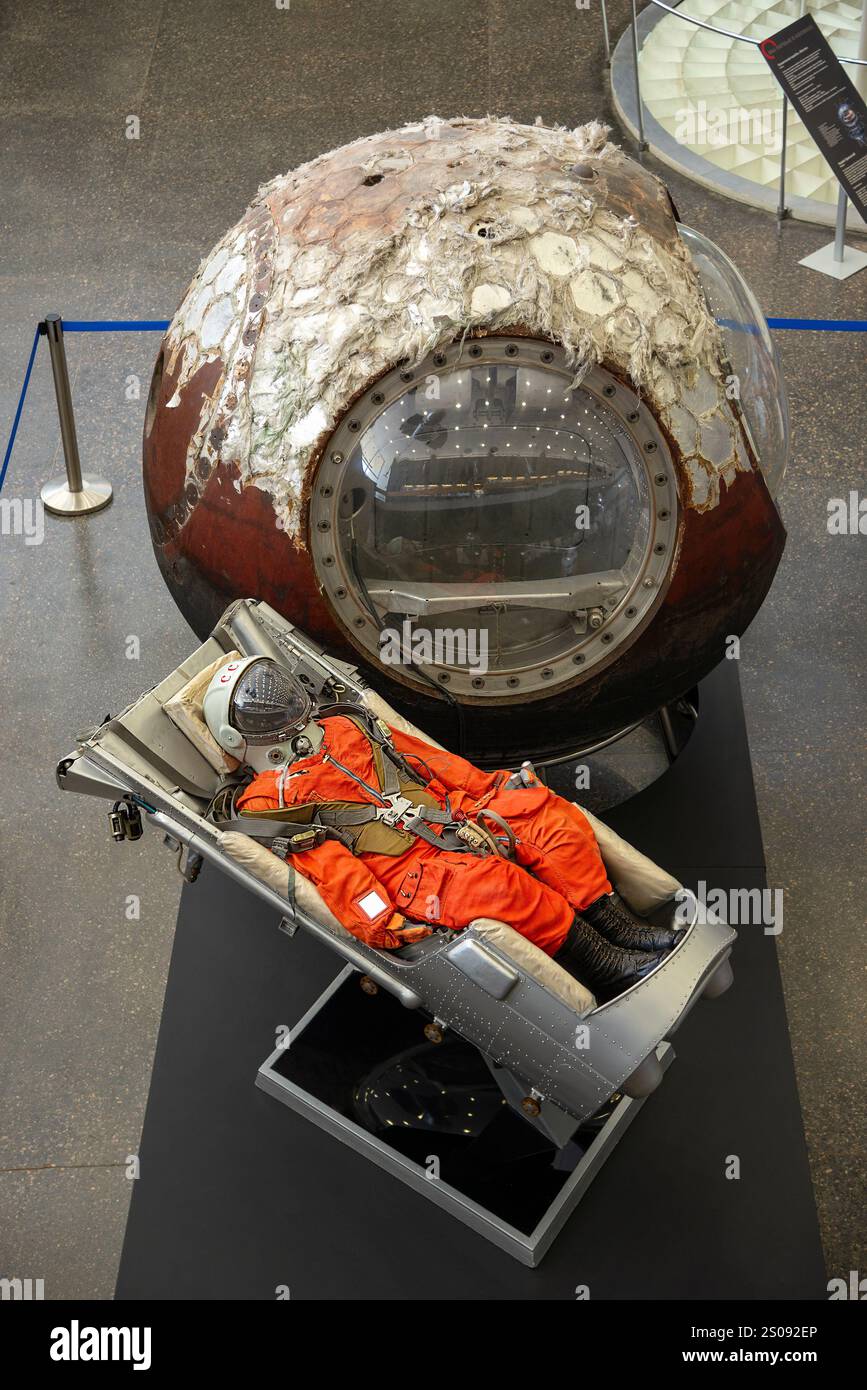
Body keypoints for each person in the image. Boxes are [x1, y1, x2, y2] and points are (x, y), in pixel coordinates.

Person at [203, 656, 678, 1001]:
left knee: (553, 821)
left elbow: (426, 762)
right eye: (263, 710)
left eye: (278, 695)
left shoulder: (344, 727)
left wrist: (489, 794)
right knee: (503, 886)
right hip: (407, 873)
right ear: (237, 736)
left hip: (451, 811)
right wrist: (386, 925)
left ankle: (620, 927)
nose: (282, 708)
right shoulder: (267, 803)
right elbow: (331, 869)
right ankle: (605, 964)